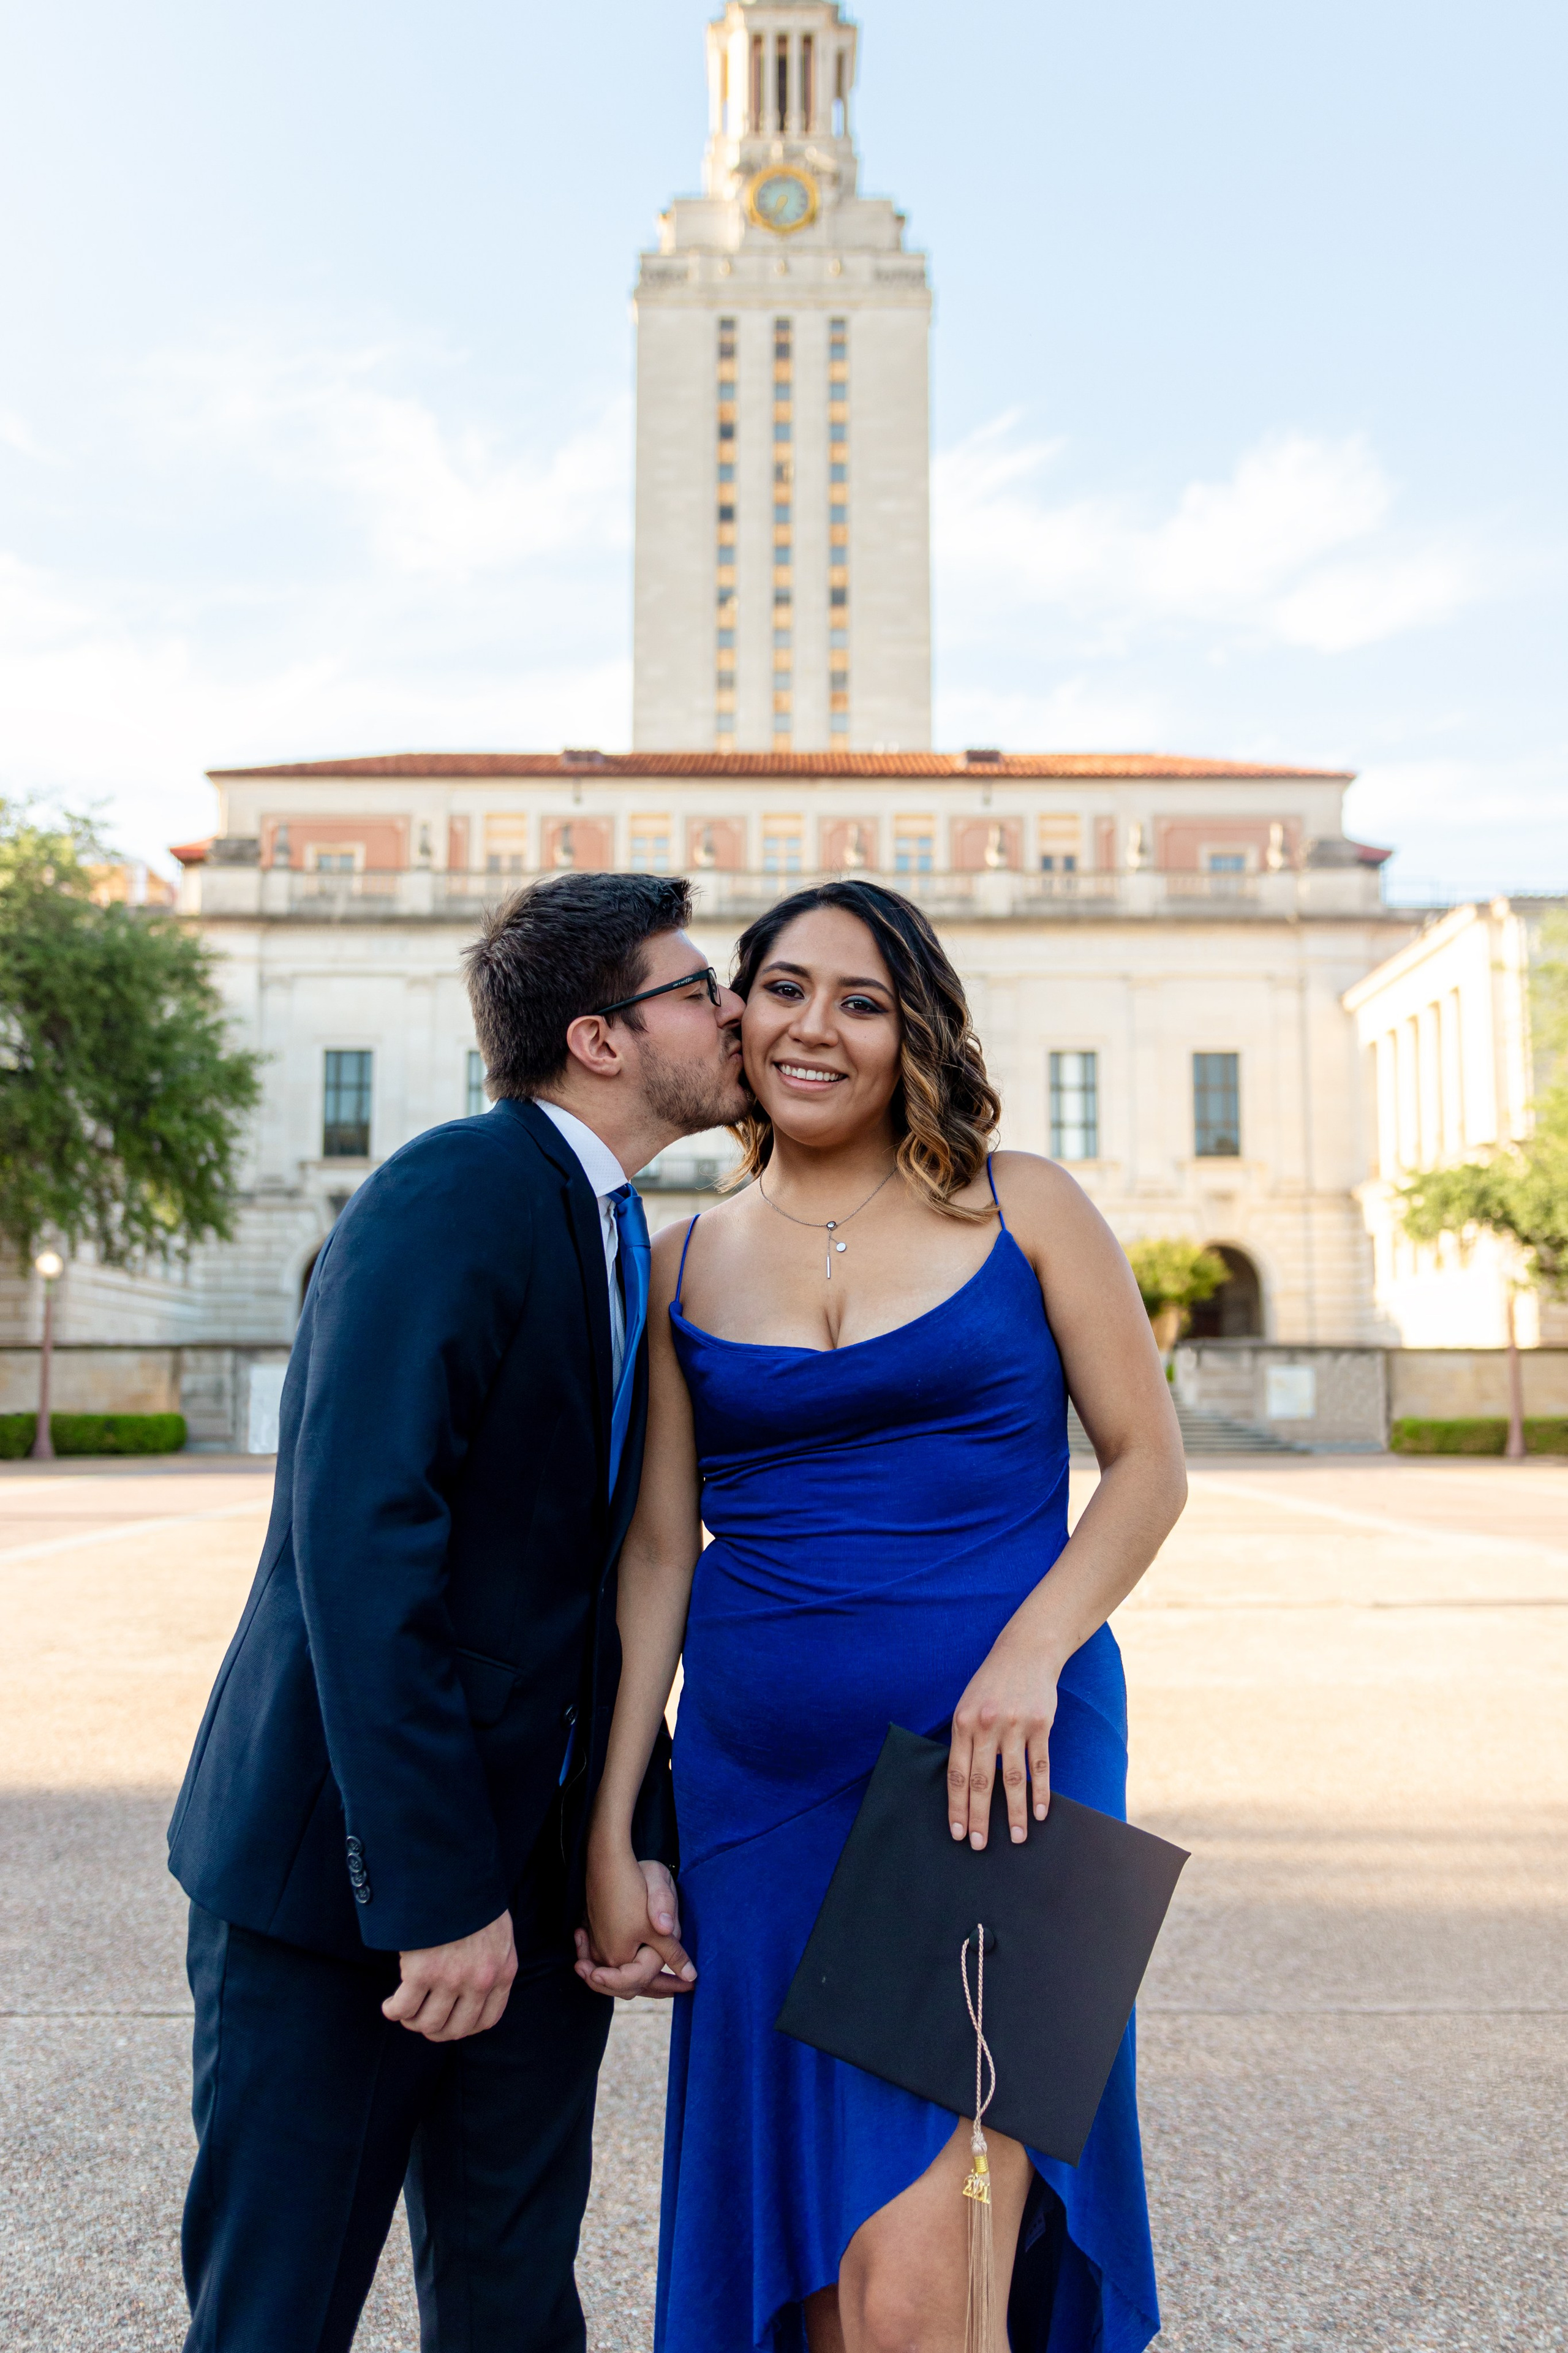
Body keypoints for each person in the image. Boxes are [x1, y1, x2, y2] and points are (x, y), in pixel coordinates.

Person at [579, 879, 1188, 2353]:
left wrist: (1027, 1654)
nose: (815, 1028)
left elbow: (1147, 1467)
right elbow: (657, 1554)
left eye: (860, 1001)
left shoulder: (1021, 1203)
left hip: (1000, 1777)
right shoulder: (677, 1257)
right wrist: (611, 1827)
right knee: (822, 2293)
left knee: (920, 2294)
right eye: (785, 988)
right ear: (738, 1013)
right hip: (759, 1801)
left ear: (911, 1032)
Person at [166, 872, 746, 2353]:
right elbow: (360, 1550)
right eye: (701, 990)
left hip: (535, 1901)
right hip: (347, 1903)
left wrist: (631, 1839)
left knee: (513, 2311)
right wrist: (432, 1896)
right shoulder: (450, 1193)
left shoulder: (614, 1229)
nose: (737, 1011)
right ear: (600, 1038)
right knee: (275, 2316)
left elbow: (595, 1584)